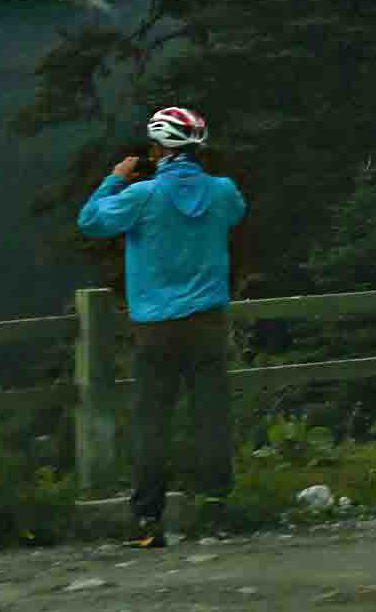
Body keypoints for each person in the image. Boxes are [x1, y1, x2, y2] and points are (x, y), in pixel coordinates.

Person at [78, 106, 248, 549]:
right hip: (208, 321)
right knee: (211, 417)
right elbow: (235, 213)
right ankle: (215, 511)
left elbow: (91, 221)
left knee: (152, 421)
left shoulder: (142, 195)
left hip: (156, 327)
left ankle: (148, 520)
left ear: (158, 150)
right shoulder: (223, 191)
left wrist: (115, 179)